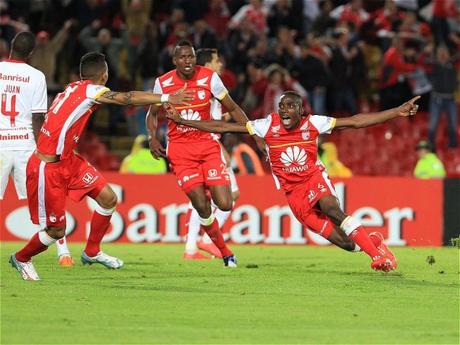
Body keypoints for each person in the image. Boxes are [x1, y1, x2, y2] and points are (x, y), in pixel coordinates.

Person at [164, 91, 421, 272]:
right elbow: (223, 127)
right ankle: (372, 242)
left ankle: (377, 257)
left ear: (301, 110)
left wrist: (397, 112)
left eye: (290, 106)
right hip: (293, 194)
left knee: (332, 208)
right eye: (282, 106)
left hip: (314, 179)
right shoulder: (267, 126)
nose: (284, 110)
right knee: (346, 244)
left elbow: (355, 122)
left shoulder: (314, 123)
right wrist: (183, 121)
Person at [9, 51, 193, 281]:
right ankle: (22, 257)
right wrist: (166, 98)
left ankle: (92, 251)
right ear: (104, 76)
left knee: (108, 199)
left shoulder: (72, 87)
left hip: (68, 160)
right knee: (56, 231)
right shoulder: (92, 90)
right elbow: (127, 98)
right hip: (48, 167)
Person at [146, 40, 261, 267]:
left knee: (226, 203)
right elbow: (152, 113)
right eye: (182, 58)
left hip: (208, 146)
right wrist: (152, 137)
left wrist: (253, 133)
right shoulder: (163, 82)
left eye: (190, 57)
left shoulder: (209, 78)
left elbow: (233, 107)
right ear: (174, 61)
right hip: (180, 151)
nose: (187, 62)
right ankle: (226, 253)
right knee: (201, 205)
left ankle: (202, 243)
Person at [0, 31, 74, 267]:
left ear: (11, 46)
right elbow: (38, 117)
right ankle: (63, 254)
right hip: (25, 144)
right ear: (31, 53)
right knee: (45, 201)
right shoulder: (36, 76)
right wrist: (46, 147)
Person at [182, 48, 241, 260]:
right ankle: (206, 240)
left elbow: (206, 118)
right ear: (208, 64)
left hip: (195, 145)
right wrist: (220, 146)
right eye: (217, 60)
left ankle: (190, 249)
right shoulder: (209, 82)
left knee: (198, 198)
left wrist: (222, 119)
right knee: (231, 194)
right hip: (207, 146)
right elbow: (205, 123)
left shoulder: (197, 84)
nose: (220, 64)